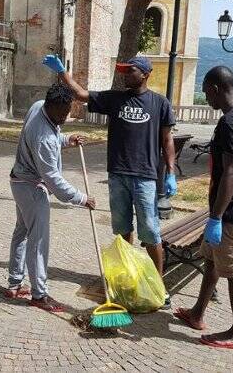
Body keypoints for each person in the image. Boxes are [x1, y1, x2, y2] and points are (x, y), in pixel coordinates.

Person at [50, 54, 177, 308]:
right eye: (124, 71)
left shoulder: (160, 104)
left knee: (150, 233)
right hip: (117, 175)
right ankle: (127, 276)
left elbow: (167, 140)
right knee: (122, 230)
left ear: (145, 74)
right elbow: (82, 95)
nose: (125, 75)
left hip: (145, 177)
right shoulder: (115, 98)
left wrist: (171, 172)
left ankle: (160, 287)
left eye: (130, 71)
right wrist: (63, 72)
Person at [173, 66, 233, 351]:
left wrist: (216, 217)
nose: (206, 99)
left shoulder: (229, 123)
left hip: (232, 212)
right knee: (211, 258)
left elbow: (232, 172)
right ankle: (198, 313)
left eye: (205, 92)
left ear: (214, 89)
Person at [6, 83, 96, 312]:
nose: (66, 117)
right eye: (63, 112)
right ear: (51, 105)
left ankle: (15, 284)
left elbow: (52, 138)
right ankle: (39, 295)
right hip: (31, 187)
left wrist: (67, 140)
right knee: (38, 241)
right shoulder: (44, 137)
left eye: (69, 111)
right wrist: (81, 198)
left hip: (19, 180)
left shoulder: (39, 108)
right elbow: (54, 181)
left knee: (22, 231)